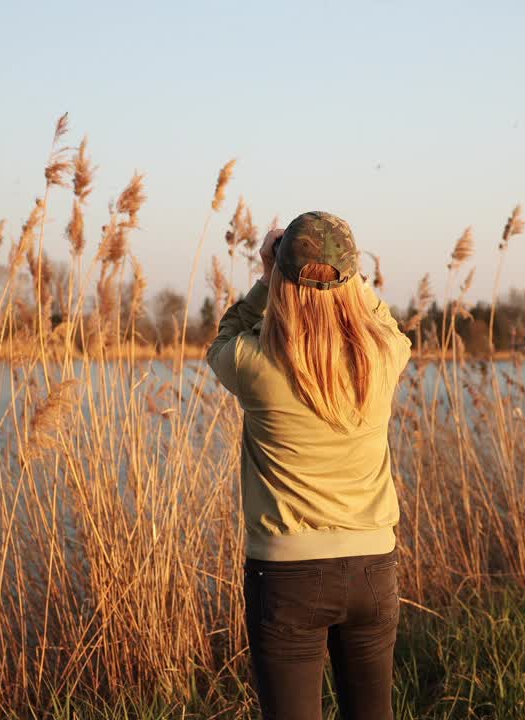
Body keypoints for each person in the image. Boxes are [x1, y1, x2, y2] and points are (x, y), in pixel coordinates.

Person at [205, 211, 413, 720]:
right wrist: (349, 280)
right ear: (353, 276)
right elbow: (389, 324)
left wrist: (265, 277)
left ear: (282, 277)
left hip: (287, 575)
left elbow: (222, 339)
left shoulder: (257, 365)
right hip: (372, 569)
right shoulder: (383, 358)